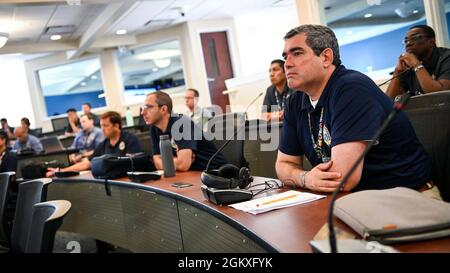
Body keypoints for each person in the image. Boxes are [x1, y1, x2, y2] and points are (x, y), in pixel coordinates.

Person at [275, 24, 432, 193]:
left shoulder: (351, 89)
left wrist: (300, 177)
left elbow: (342, 178)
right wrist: (305, 178)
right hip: (353, 199)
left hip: (408, 197)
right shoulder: (294, 101)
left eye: (297, 53)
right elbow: (283, 165)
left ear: (326, 57)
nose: (287, 64)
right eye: (285, 57)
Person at [142, 91, 227, 171]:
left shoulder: (181, 123)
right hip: (190, 174)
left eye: (148, 107)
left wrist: (168, 160)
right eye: (142, 108)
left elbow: (183, 165)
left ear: (163, 109)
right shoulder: (154, 128)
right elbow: (156, 162)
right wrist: (177, 161)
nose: (143, 112)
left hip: (216, 173)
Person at [46, 111, 143, 176]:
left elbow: (134, 164)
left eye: (105, 126)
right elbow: (87, 163)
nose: (102, 129)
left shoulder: (130, 139)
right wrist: (61, 171)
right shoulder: (104, 144)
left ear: (116, 126)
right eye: (101, 126)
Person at [386, 25, 450, 99]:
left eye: (415, 38)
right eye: (406, 41)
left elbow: (442, 96)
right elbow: (388, 101)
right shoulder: (408, 65)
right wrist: (397, 72)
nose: (408, 43)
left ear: (431, 42)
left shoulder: (446, 57)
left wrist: (417, 65)